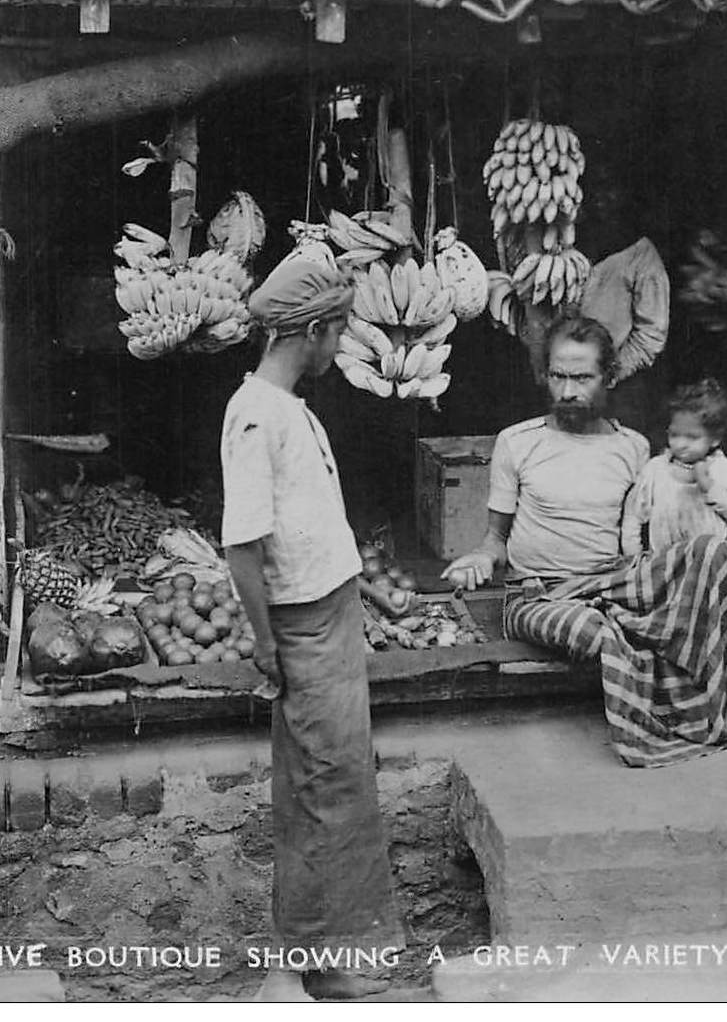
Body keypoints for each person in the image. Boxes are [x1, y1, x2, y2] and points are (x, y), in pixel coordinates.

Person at [442, 316, 727, 768]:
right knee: (596, 632)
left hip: (615, 584)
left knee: (709, 553)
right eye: (558, 376)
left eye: (582, 377)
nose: (567, 390)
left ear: (610, 377)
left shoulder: (633, 448)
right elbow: (495, 539)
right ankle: (667, 701)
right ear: (545, 375)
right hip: (539, 596)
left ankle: (706, 699)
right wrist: (479, 556)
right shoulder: (516, 443)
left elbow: (647, 526)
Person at [220, 254, 401, 1001]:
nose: (340, 345)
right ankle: (300, 969)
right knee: (324, 786)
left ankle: (327, 958)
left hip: (329, 614)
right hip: (302, 627)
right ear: (318, 329)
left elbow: (305, 522)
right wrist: (267, 644)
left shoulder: (289, 406)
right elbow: (243, 541)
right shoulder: (260, 413)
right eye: (339, 332)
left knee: (337, 781)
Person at [621, 378, 727, 560]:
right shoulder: (656, 469)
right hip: (665, 564)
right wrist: (633, 557)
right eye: (674, 435)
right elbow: (633, 514)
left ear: (715, 439)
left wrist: (708, 486)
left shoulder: (719, 468)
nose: (681, 444)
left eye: (692, 437)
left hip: (708, 564)